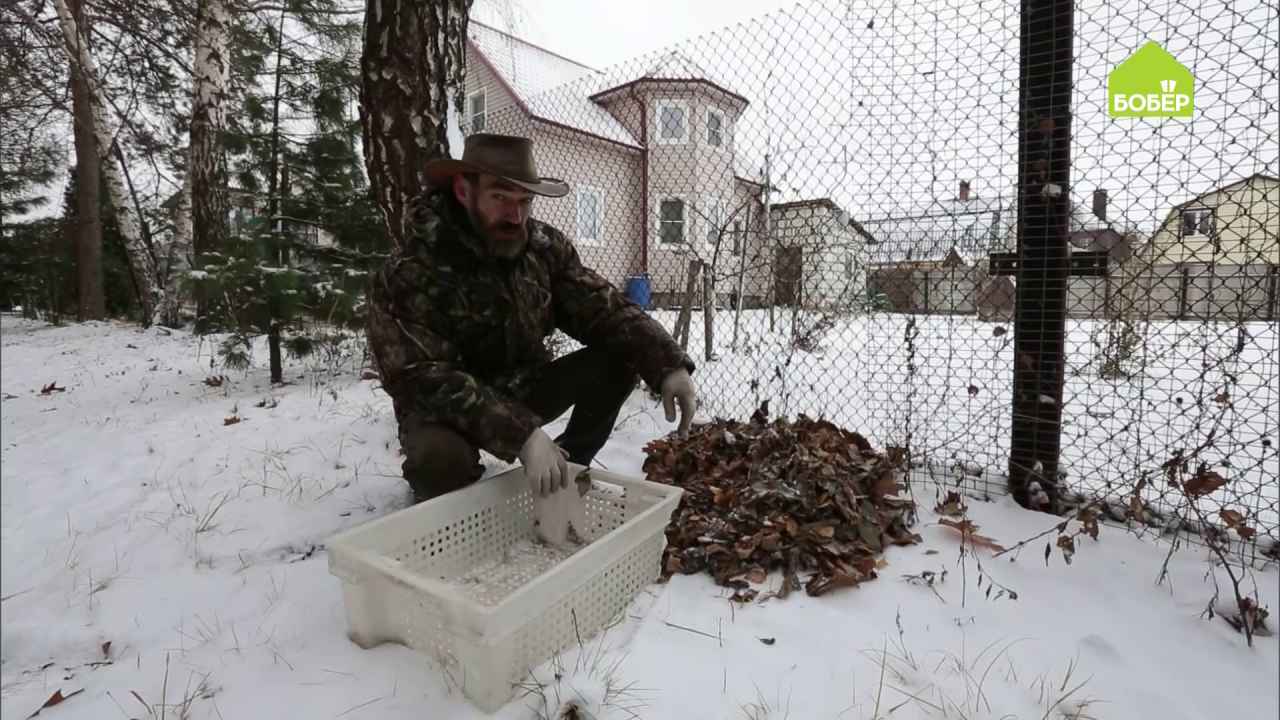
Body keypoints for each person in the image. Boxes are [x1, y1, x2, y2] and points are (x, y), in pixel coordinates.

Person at [366, 133, 698, 503]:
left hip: (521, 385)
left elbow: (602, 306)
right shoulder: (411, 271)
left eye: (525, 200)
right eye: (500, 197)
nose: (515, 215)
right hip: (444, 409)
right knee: (439, 462)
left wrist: (668, 364)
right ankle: (455, 507)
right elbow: (420, 377)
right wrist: (521, 434)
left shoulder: (541, 249)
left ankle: (566, 471)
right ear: (463, 191)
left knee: (619, 357)